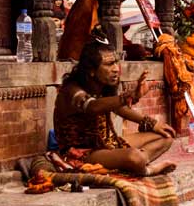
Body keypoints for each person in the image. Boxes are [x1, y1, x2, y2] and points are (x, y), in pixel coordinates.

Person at [53, 39, 176, 176]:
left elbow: (118, 108)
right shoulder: (72, 90)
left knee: (166, 136)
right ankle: (146, 169)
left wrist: (152, 124)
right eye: (109, 64)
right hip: (84, 153)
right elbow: (93, 106)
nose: (116, 69)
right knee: (135, 157)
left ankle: (135, 163)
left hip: (108, 144)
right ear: (91, 70)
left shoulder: (102, 86)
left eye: (116, 62)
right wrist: (129, 96)